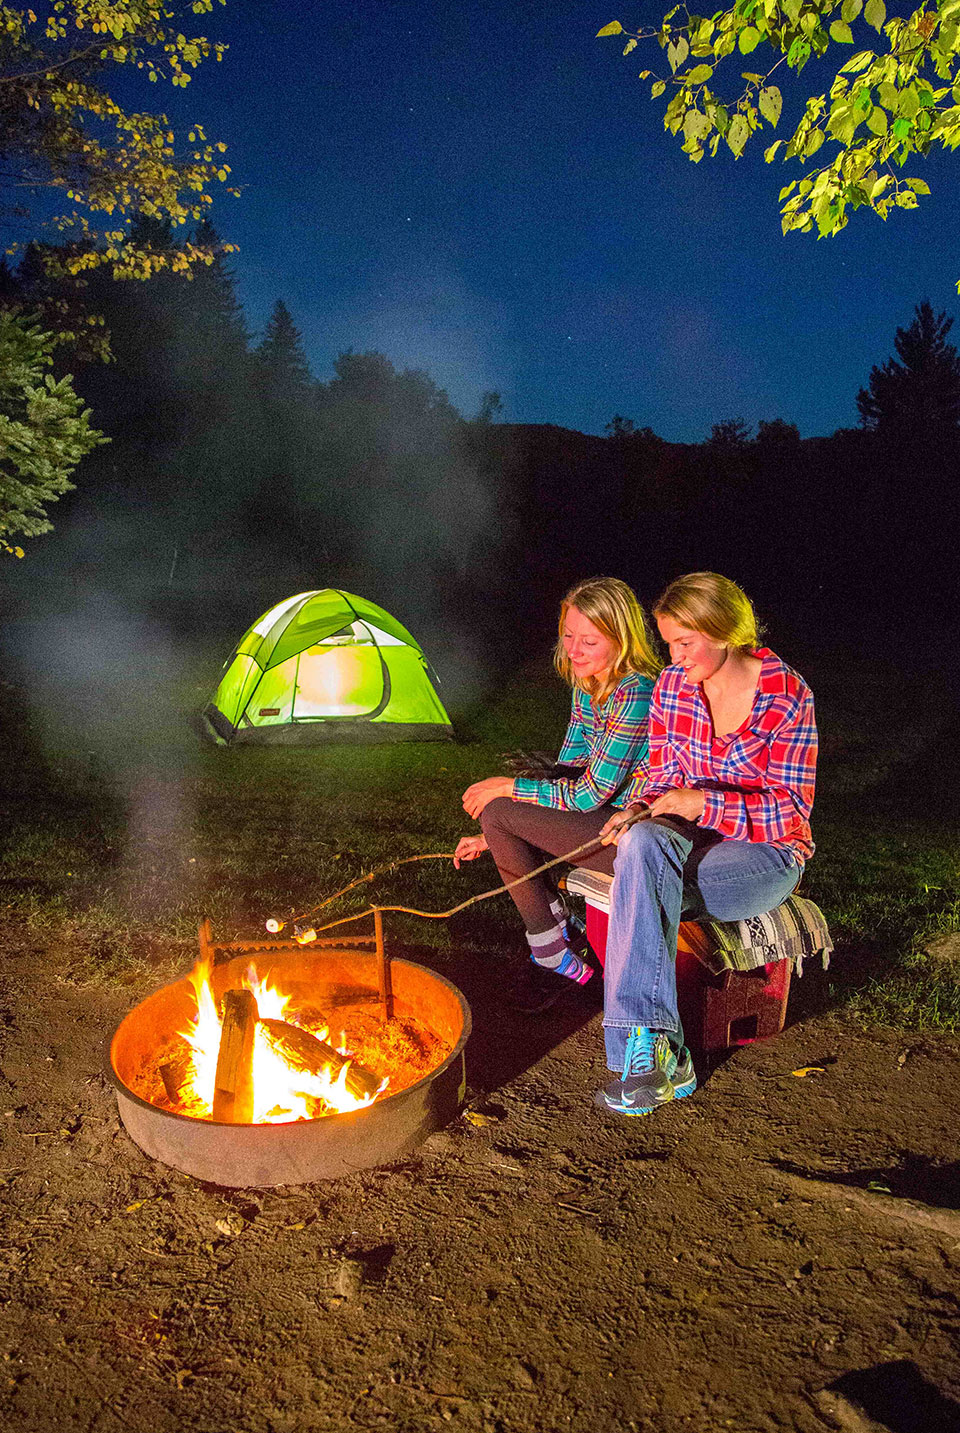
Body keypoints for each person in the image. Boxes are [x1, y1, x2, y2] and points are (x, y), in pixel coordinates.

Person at [597, 571, 817, 1117]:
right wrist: (639, 807)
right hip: (692, 840)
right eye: (669, 641)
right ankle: (653, 1057)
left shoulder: (788, 699)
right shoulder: (674, 686)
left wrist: (706, 804)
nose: (673, 655)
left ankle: (651, 1055)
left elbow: (790, 812)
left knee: (640, 884)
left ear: (724, 632)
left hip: (764, 855)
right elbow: (662, 773)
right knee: (642, 844)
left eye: (685, 642)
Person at [454, 576, 661, 1012]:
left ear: (622, 639)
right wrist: (500, 832)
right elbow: (567, 770)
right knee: (500, 816)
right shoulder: (588, 686)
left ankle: (553, 953)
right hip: (601, 823)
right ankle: (556, 948)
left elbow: (588, 794)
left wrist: (508, 788)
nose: (574, 650)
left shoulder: (637, 692)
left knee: (499, 809)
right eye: (568, 635)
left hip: (638, 839)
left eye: (589, 640)